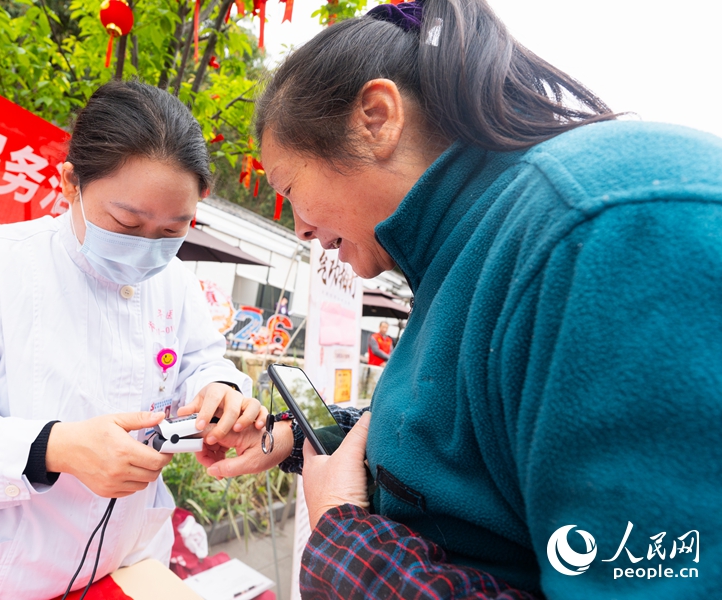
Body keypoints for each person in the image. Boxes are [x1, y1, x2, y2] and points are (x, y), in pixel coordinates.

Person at [198, 1, 722, 598]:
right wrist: (299, 438)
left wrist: (344, 537)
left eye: (290, 190)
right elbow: (460, 441)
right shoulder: (466, 251)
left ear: (377, 117)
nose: (300, 230)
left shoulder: (603, 238)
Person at [0, 81, 267, 599]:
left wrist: (218, 388)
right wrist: (51, 447)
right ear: (69, 183)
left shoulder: (174, 283)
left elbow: (199, 360)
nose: (148, 250)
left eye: (171, 231)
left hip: (123, 569)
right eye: (126, 222)